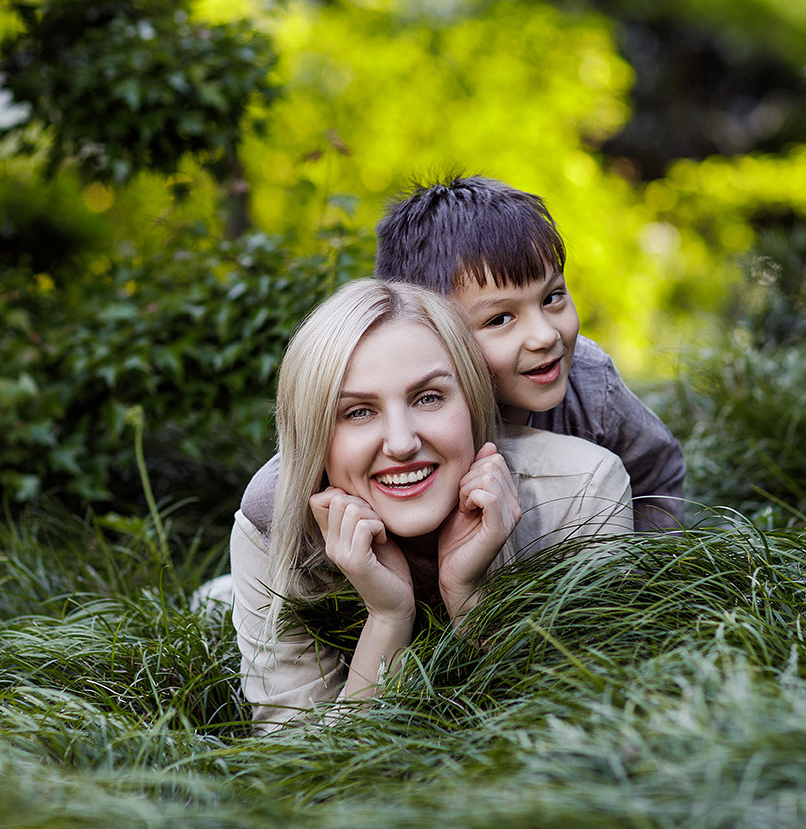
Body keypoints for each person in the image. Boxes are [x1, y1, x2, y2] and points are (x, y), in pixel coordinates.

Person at [232, 279, 632, 731]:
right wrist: (388, 619)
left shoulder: (582, 492)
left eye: (429, 398)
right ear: (314, 439)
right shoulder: (268, 532)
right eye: (358, 412)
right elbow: (294, 763)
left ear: (473, 402)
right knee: (224, 601)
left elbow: (585, 725)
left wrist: (469, 597)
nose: (402, 444)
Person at [239, 175, 685, 537]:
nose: (544, 336)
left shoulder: (590, 384)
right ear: (430, 332)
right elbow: (268, 502)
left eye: (552, 297)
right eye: (499, 320)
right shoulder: (386, 426)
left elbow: (656, 470)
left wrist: (639, 569)